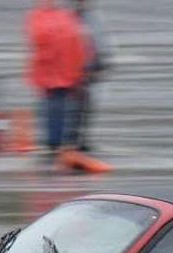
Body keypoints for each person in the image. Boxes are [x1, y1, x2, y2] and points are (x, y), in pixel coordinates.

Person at [25, 0, 87, 154]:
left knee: (52, 107)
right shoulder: (66, 19)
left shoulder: (38, 18)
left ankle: (54, 140)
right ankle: (58, 140)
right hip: (62, 72)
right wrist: (77, 72)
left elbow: (37, 42)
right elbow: (76, 46)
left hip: (50, 73)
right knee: (60, 107)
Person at [69, 0, 112, 151]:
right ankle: (72, 139)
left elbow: (101, 40)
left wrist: (103, 62)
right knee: (75, 105)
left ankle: (81, 138)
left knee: (87, 104)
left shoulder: (94, 16)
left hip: (89, 66)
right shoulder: (68, 16)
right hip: (73, 67)